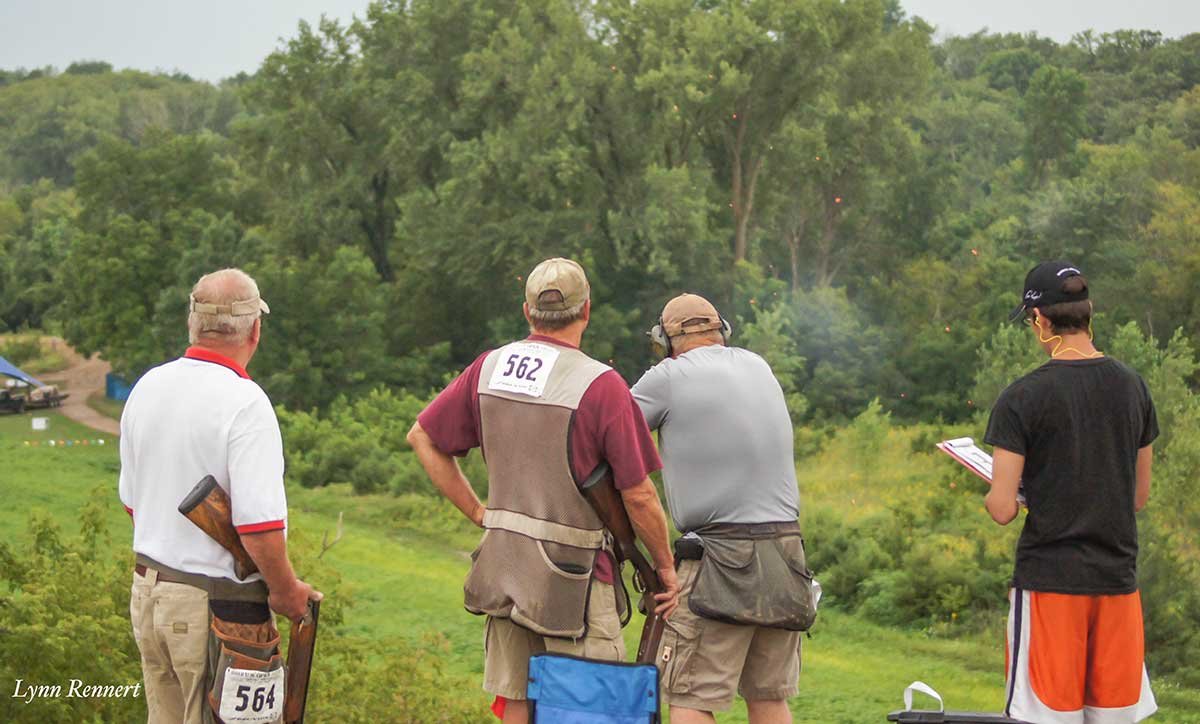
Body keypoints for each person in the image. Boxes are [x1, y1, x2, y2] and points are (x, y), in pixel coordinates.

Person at [407, 257, 680, 724]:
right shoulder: (601, 385)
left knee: (515, 706)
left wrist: (480, 513)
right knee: (591, 711)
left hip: (505, 574)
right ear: (586, 311)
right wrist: (666, 568)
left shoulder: (489, 368)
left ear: (527, 311)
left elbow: (423, 438)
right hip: (577, 585)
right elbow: (638, 496)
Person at [119, 268, 320, 723]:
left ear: (192, 323)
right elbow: (259, 529)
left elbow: (134, 503)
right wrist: (287, 592)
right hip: (215, 607)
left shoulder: (147, 386)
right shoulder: (246, 403)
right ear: (255, 328)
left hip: (149, 596)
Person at [984, 261, 1158, 723]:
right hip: (1118, 585)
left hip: (1050, 585)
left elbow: (1002, 509)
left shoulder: (1022, 397)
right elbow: (1137, 496)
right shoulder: (1133, 387)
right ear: (1088, 312)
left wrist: (1007, 491)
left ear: (1041, 321)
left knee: (1044, 717)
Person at [631, 293, 811, 724]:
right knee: (769, 697)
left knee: (691, 694)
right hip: (786, 553)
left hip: (719, 558)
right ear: (722, 331)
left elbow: (609, 432)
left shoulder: (667, 377)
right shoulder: (758, 365)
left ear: (665, 340)